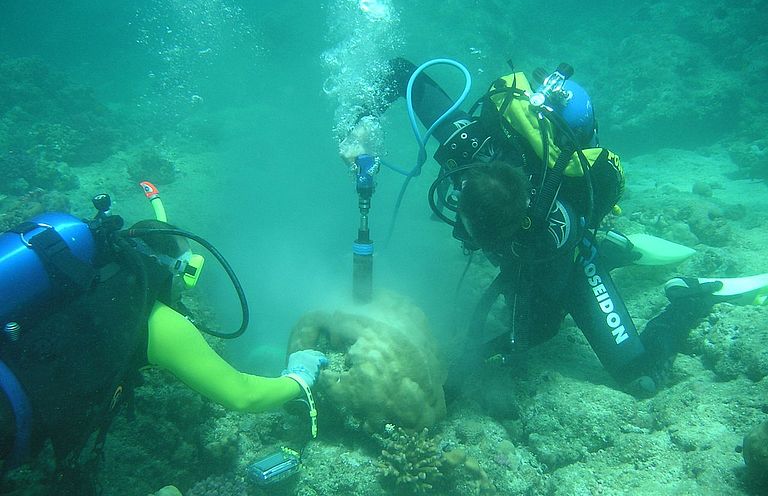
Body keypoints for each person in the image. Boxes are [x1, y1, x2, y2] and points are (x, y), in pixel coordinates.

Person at [340, 57, 767, 397]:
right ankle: (619, 247)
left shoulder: (549, 233)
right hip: (530, 244)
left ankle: (688, 299)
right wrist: (362, 125)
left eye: (478, 235)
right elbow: (401, 71)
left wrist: (468, 366)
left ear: (517, 227)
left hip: (573, 258)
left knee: (638, 376)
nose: (463, 235)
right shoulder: (467, 146)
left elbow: (539, 327)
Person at [0, 195, 327, 494]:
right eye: (189, 276)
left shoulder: (87, 274)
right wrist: (299, 377)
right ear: (175, 267)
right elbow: (242, 394)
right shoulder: (157, 320)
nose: (186, 291)